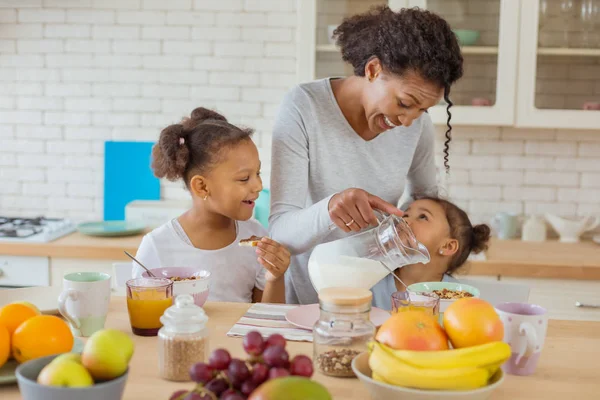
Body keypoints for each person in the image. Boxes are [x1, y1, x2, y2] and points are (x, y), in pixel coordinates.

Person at [268, 6, 464, 304]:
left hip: (377, 302)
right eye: (404, 103)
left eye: (422, 110)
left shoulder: (415, 125)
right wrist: (330, 208)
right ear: (373, 70)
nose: (408, 121)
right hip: (309, 300)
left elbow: (427, 207)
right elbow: (281, 235)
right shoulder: (304, 108)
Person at [134, 107, 291, 304]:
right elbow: (144, 318)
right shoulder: (157, 246)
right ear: (202, 186)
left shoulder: (257, 240)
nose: (258, 186)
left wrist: (275, 278)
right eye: (244, 178)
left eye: (257, 173)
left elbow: (265, 321)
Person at [371, 197, 491, 310]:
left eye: (423, 217)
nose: (404, 220)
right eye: (406, 215)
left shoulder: (457, 298)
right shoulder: (372, 281)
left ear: (447, 246)